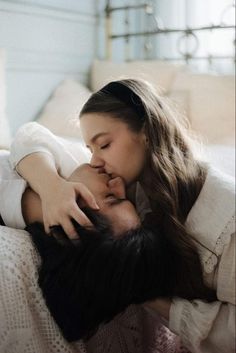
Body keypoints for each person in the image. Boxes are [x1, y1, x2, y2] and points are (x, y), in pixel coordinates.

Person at [9, 79, 235, 353]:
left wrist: (142, 291)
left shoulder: (225, 221)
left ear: (148, 132)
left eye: (103, 145)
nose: (93, 160)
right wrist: (52, 188)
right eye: (90, 149)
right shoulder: (123, 180)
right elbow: (28, 137)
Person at [0, 149, 191, 352]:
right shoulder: (77, 168)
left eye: (111, 198)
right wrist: (51, 187)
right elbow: (29, 139)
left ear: (74, 222)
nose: (118, 183)